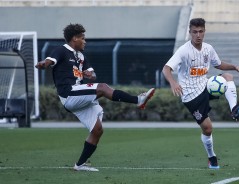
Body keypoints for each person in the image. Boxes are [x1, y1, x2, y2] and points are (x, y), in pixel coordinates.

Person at [35, 23, 155, 171]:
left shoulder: (81, 56)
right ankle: (138, 100)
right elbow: (50, 61)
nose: (85, 41)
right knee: (103, 87)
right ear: (74, 39)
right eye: (83, 38)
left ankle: (80, 165)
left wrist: (90, 74)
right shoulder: (61, 50)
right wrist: (43, 63)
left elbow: (92, 74)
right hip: (69, 93)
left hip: (78, 96)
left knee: (97, 130)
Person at [162, 18, 239, 169]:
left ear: (204, 32)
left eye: (201, 31)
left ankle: (234, 110)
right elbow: (166, 69)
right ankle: (212, 157)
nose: (198, 35)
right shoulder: (184, 51)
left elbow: (218, 64)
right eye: (195, 32)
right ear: (190, 32)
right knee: (208, 128)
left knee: (228, 77)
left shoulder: (208, 49)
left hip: (205, 85)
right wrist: (173, 83)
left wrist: (234, 67)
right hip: (191, 95)